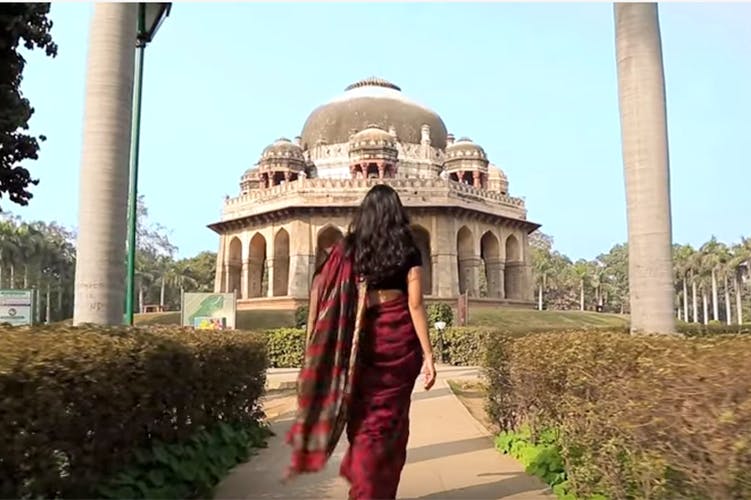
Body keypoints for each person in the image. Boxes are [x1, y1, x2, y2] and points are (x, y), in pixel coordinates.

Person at [286, 184, 437, 499]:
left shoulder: (350, 247)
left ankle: (364, 480)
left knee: (364, 418)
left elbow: (319, 289)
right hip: (399, 340)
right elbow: (415, 304)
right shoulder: (408, 246)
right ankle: (378, 489)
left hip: (359, 341)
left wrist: (315, 338)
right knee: (392, 421)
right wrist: (428, 355)